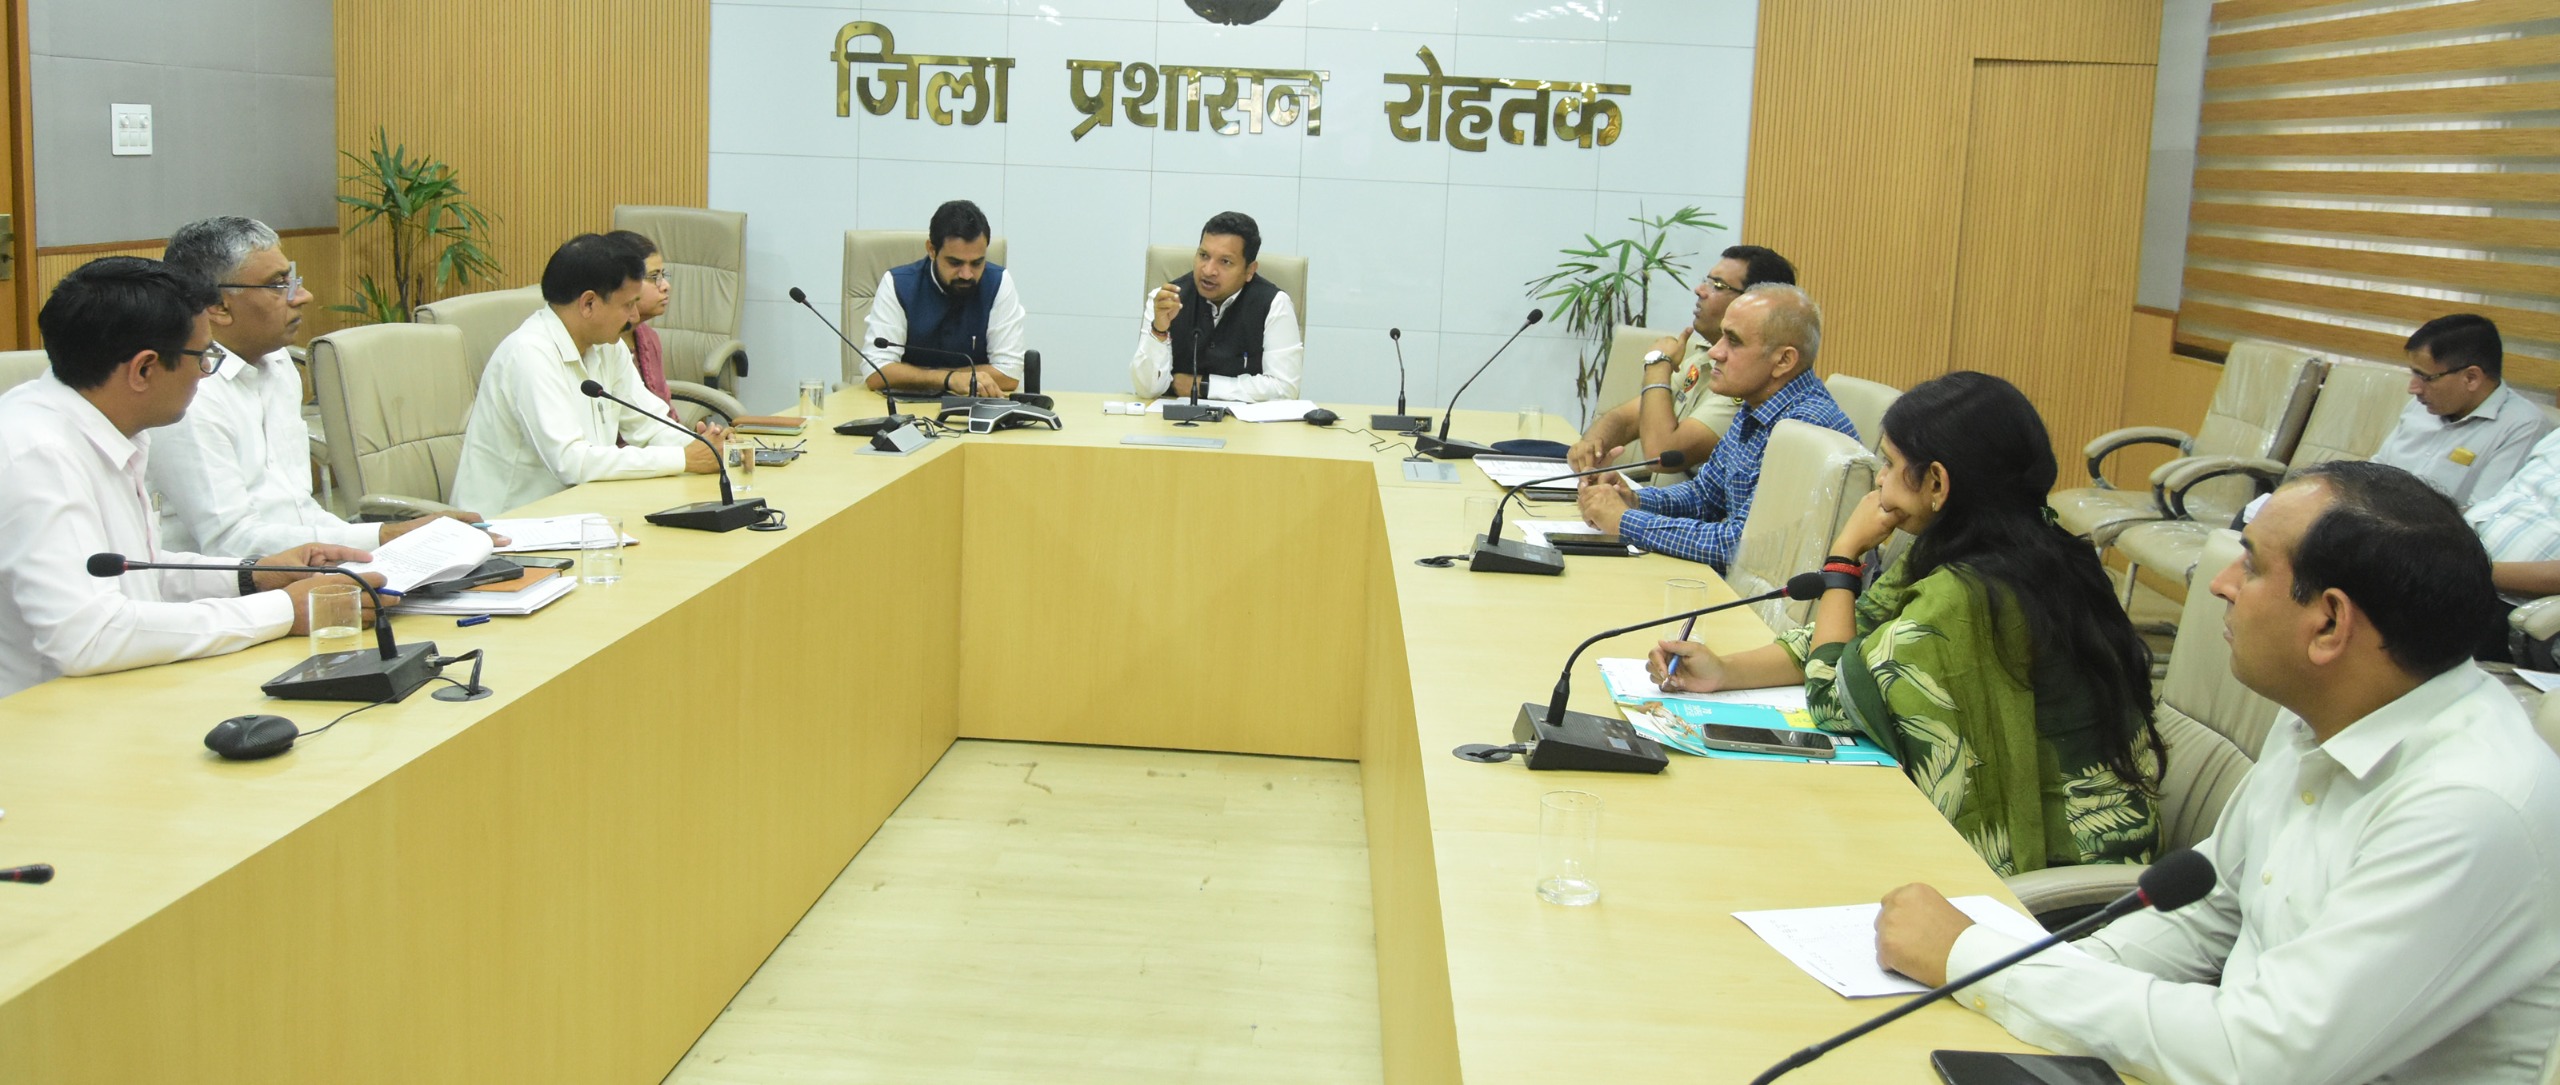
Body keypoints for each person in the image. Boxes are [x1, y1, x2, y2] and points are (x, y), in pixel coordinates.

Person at [1874, 460, 2560, 1085]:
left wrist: (1971, 958)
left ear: (2329, 624)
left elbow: (2261, 1056)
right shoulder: (2325, 718)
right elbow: (2206, 916)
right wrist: (2008, 974)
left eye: (2251, 567)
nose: (2221, 584)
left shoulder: (2465, 806)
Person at [1647, 372, 2161, 874]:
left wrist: (1844, 557)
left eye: (1891, 465)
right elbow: (1855, 631)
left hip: (2060, 865)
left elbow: (1831, 693)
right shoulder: (2021, 543)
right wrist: (1725, 671)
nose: (1879, 481)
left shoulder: (1967, 595)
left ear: (1936, 482)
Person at [0, 257, 386, 698]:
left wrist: (258, 575)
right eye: (204, 357)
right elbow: (89, 636)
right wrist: (283, 610)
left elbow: (138, 575)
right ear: (144, 369)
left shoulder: (101, 423)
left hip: (119, 691)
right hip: (39, 719)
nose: (207, 373)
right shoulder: (36, 455)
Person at [147, 217, 493, 555]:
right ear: (219, 307)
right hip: (235, 584)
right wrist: (383, 536)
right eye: (279, 285)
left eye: (293, 279)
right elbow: (230, 542)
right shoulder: (190, 394)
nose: (303, 296)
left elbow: (300, 509)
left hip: (305, 565)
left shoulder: (278, 364)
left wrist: (385, 543)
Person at [1574, 283, 1855, 569]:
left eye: (1733, 341)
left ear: (1783, 360)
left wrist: (1625, 520)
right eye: (1721, 337)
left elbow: (1740, 546)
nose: (1715, 352)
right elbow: (1704, 497)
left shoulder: (1805, 425)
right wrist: (1633, 500)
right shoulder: (1758, 406)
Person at [450, 234, 726, 514]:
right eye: (627, 305)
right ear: (588, 304)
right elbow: (571, 462)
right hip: (507, 525)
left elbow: (649, 425)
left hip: (578, 512)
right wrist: (683, 458)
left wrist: (710, 448)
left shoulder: (609, 347)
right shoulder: (529, 354)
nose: (634, 317)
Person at [1566, 245, 1796, 472]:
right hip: (1657, 494)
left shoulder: (1748, 382)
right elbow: (1624, 420)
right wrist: (1591, 447)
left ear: (1752, 303)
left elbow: (1661, 454)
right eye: (1706, 281)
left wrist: (1657, 364)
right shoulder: (1704, 355)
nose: (1699, 290)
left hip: (1676, 498)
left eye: (1717, 285)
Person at [2370, 314, 2546, 508]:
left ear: (2471, 378)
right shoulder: (2422, 405)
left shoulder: (2522, 426)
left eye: (2425, 377)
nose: (2413, 388)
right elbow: (2377, 468)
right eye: (2414, 373)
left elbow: (2482, 514)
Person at [1131, 211, 1302, 403]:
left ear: (1249, 270)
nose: (1208, 270)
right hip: (1175, 420)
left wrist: (1204, 386)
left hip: (1245, 421)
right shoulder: (1165, 300)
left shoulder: (1274, 304)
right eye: (1204, 255)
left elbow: (1285, 388)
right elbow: (1147, 390)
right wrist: (1159, 330)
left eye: (1225, 262)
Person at [861, 199, 1023, 398]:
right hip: (903, 406)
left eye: (977, 263)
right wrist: (949, 379)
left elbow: (1010, 372)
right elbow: (875, 371)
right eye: (955, 263)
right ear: (931, 250)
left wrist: (936, 377)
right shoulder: (897, 284)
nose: (966, 274)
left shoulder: (998, 282)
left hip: (975, 408)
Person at [603, 228, 682, 426]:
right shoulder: (599, 343)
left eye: (663, 275)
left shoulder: (649, 338)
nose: (665, 285)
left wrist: (694, 439)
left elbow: (663, 414)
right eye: (654, 276)